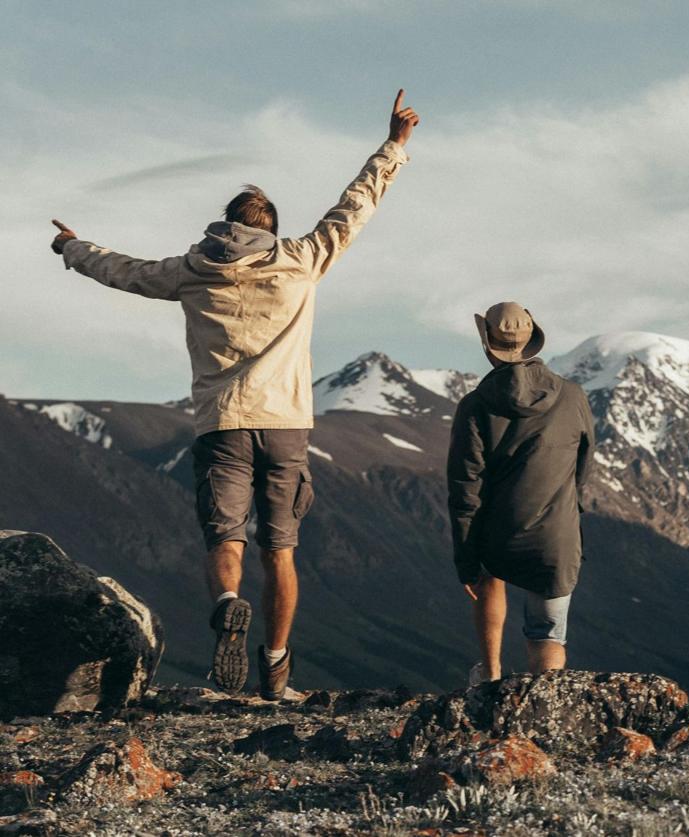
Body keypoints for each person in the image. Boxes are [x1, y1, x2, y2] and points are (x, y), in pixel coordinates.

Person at [49, 89, 421, 698]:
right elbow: (356, 206)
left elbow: (123, 270)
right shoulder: (302, 259)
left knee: (225, 536)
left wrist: (72, 247)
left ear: (225, 224)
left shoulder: (192, 270)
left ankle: (227, 599)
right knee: (281, 550)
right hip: (285, 424)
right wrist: (393, 146)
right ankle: (275, 669)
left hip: (221, 423)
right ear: (270, 228)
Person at [447, 302, 595, 684]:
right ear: (532, 341)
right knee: (547, 632)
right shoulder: (573, 397)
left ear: (487, 345)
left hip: (499, 533)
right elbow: (583, 467)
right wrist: (568, 511)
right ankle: (542, 706)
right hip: (556, 538)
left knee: (488, 575)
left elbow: (466, 487)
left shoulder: (475, 406)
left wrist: (466, 556)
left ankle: (491, 676)